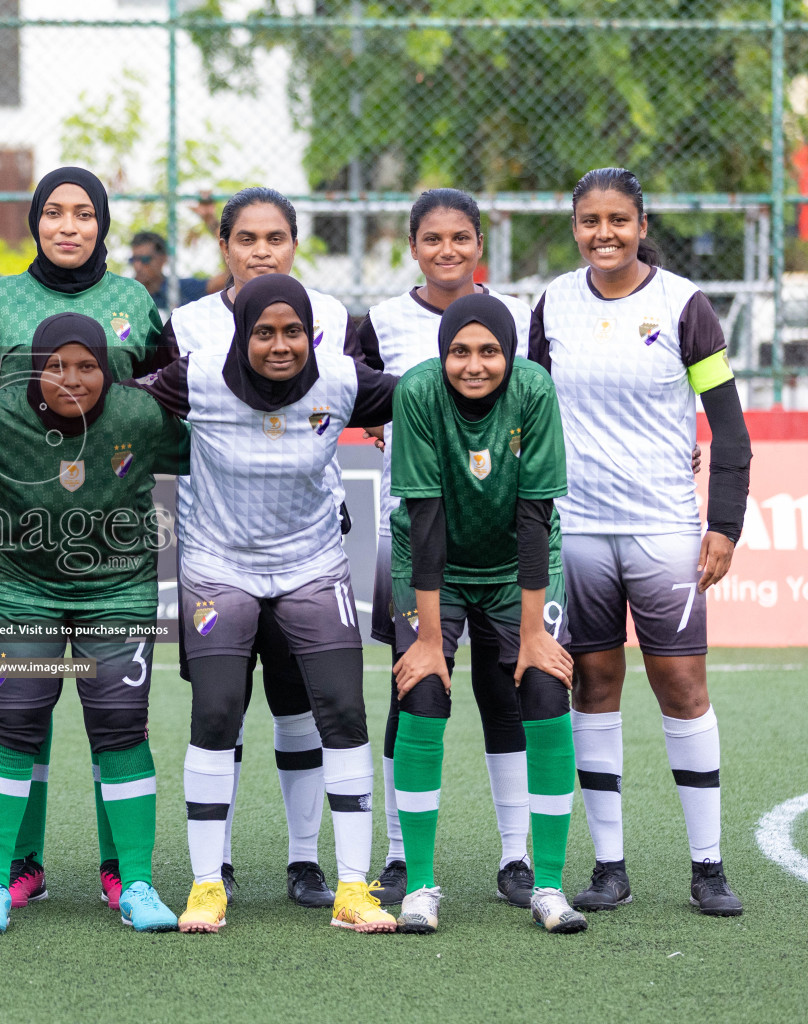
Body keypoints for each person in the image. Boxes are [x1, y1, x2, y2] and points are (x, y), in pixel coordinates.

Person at [132, 274, 396, 935]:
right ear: (241, 332)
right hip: (219, 570)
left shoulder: (341, 379)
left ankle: (353, 889)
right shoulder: (196, 378)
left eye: (293, 332)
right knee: (217, 711)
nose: (281, 346)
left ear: (312, 333)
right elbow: (114, 405)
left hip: (313, 566)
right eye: (264, 333)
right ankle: (204, 886)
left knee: (342, 710)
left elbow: (429, 395)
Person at [530, 167, 750, 917]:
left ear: (642, 225)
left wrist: (723, 525)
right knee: (592, 687)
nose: (604, 233)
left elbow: (730, 428)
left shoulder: (684, 303)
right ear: (575, 227)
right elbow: (525, 408)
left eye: (618, 220)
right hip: (578, 531)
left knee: (683, 691)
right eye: (589, 220)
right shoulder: (553, 303)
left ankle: (708, 867)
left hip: (663, 531)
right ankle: (611, 867)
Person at [0, 167, 176, 909]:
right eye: (54, 212)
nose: (69, 225)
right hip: (22, 559)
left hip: (113, 553)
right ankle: (17, 868)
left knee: (118, 719)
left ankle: (126, 874)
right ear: (35, 221)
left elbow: (165, 398)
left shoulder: (134, 302)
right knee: (20, 715)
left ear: (103, 224)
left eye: (85, 213)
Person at [162, 186, 357, 909]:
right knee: (221, 706)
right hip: (216, 549)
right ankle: (221, 864)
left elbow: (366, 400)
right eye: (248, 239)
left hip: (307, 544)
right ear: (224, 247)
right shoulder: (184, 324)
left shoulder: (333, 318)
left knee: (298, 702)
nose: (262, 251)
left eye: (276, 237)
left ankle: (305, 862)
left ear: (295, 244)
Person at [346, 188, 537, 908]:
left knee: (503, 690)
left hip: (500, 533)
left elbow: (545, 398)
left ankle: (515, 857)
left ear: (480, 244)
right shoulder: (382, 323)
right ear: (413, 246)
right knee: (414, 690)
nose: (447, 250)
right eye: (433, 238)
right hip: (415, 533)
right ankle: (399, 856)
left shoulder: (517, 314)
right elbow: (355, 394)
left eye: (461, 237)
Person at [388, 293, 586, 936]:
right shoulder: (418, 392)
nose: (474, 365)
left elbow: (536, 517)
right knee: (421, 695)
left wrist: (533, 635)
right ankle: (418, 885)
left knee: (545, 690)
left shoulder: (534, 391)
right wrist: (427, 640)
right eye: (459, 351)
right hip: (432, 566)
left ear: (511, 351)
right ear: (442, 352)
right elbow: (425, 517)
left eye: (489, 351)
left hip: (516, 568)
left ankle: (548, 886)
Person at [129, 230, 207, 315]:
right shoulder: (125, 294)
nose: (137, 266)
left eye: (145, 259)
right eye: (133, 260)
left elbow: (220, 282)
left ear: (163, 259)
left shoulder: (181, 288)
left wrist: (211, 222)